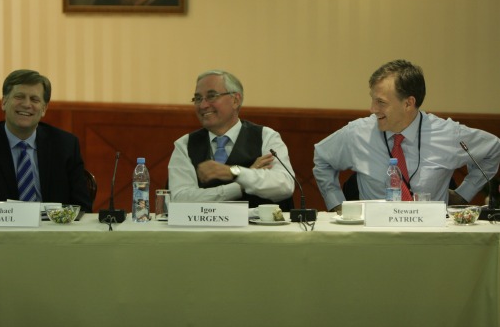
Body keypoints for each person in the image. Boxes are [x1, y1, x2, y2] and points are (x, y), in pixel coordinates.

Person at [313, 59, 500, 212]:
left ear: (409, 103)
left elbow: (493, 149)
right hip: (374, 239)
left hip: (432, 239)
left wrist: (464, 193)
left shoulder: (448, 134)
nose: (372, 109)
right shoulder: (357, 133)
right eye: (372, 99)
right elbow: (322, 159)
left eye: (381, 102)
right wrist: (336, 203)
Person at [0, 69, 92, 213]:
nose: (26, 104)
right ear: (4, 102)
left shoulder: (66, 145)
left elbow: (82, 205)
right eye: (19, 97)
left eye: (34, 99)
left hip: (52, 231)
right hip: (0, 231)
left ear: (44, 109)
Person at [168, 70, 295, 210]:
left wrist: (235, 172)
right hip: (204, 231)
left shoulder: (266, 137)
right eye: (198, 98)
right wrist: (239, 186)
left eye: (211, 96)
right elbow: (179, 200)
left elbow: (284, 185)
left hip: (257, 230)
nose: (203, 105)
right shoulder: (184, 145)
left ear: (236, 100)